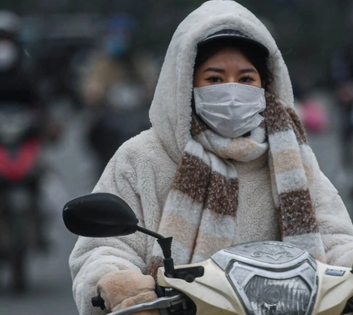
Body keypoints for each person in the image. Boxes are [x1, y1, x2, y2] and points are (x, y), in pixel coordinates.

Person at [69, 1, 353, 314]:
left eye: (246, 79)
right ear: (185, 84)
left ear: (266, 84)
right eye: (214, 79)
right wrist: (117, 283)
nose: (232, 91)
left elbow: (336, 239)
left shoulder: (292, 158)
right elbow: (104, 249)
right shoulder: (141, 158)